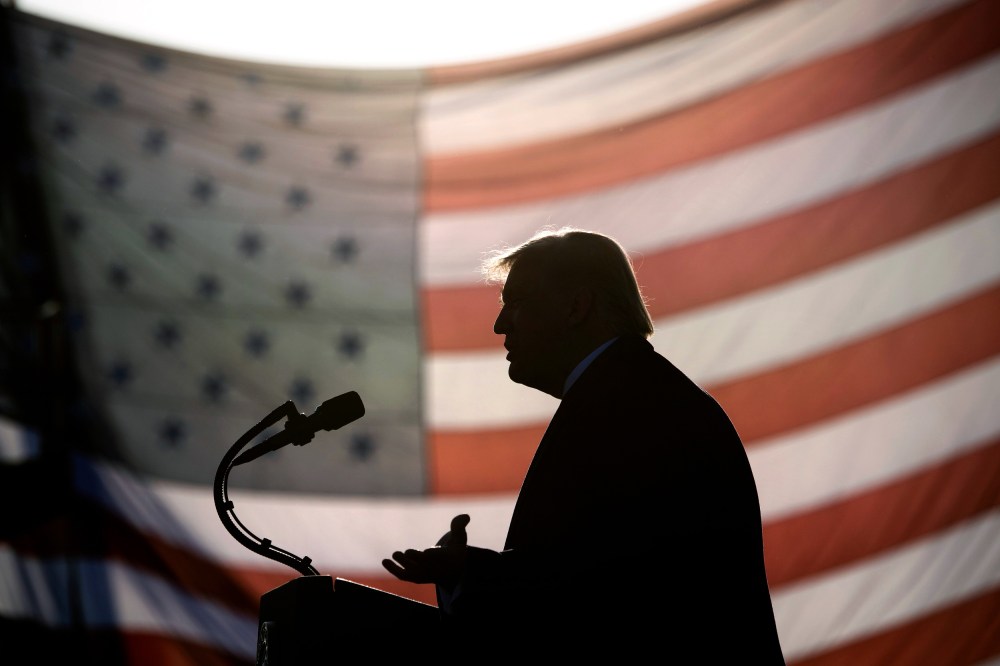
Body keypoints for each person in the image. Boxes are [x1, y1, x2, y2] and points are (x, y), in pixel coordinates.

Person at [383, 228, 784, 660]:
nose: (500, 325)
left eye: (515, 303)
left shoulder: (632, 404)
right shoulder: (630, 393)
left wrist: (470, 572)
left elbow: (609, 582)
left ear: (577, 306)